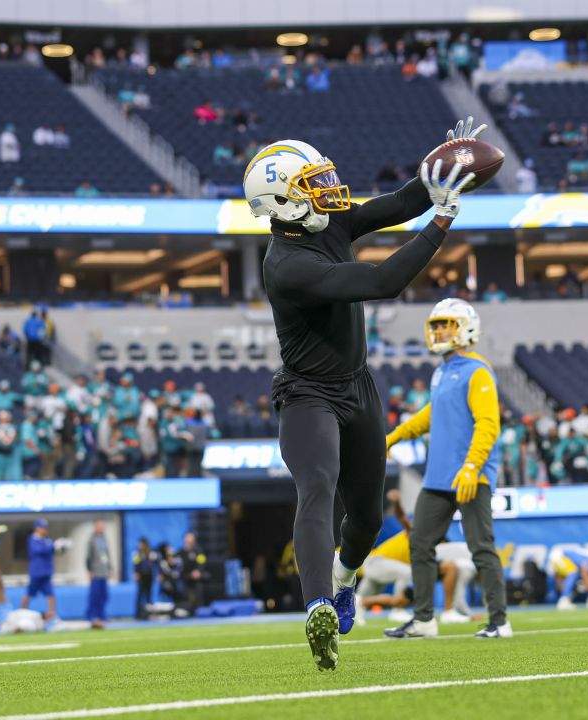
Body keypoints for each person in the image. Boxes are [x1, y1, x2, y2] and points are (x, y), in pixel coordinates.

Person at [246, 119, 481, 671]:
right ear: (281, 202)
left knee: (369, 519)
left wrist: (443, 163)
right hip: (309, 395)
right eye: (311, 183)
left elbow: (398, 203)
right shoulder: (287, 266)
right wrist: (441, 220)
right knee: (318, 488)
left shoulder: (322, 223)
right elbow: (381, 283)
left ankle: (344, 578)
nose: (326, 189)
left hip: (358, 385)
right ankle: (317, 606)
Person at [383, 299, 510, 640]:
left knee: (481, 546)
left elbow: (488, 425)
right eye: (437, 325)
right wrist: (395, 435)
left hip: (472, 475)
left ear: (467, 327)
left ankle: (500, 622)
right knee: (420, 543)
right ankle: (424, 619)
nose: (439, 331)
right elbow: (431, 414)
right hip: (439, 477)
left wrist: (471, 467)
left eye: (447, 324)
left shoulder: (478, 370)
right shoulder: (442, 371)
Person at [21, 518, 58, 620]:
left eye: (45, 528)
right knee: (29, 593)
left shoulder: (47, 540)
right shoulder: (33, 539)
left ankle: (53, 617)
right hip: (36, 573)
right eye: (42, 528)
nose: (44, 530)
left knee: (50, 594)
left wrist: (59, 548)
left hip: (46, 572)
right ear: (37, 528)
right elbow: (39, 550)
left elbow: (53, 551)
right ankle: (20, 614)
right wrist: (51, 547)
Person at [86, 520, 111, 629]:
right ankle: (92, 616)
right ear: (95, 527)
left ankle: (102, 616)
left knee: (103, 595)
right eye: (100, 526)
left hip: (104, 571)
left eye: (102, 526)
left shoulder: (104, 539)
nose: (101, 528)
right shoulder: (92, 540)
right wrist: (90, 570)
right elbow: (88, 557)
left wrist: (110, 568)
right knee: (94, 596)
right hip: (95, 571)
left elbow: (107, 555)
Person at [176, 532, 207, 615]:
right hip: (185, 580)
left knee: (198, 598)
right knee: (186, 599)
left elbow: (202, 562)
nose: (189, 542)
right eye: (187, 540)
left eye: (191, 540)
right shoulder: (180, 553)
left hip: (196, 580)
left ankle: (200, 616)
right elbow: (177, 565)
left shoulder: (198, 552)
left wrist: (198, 571)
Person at [133, 537, 158, 619]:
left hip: (149, 576)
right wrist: (136, 572)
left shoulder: (151, 552)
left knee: (149, 595)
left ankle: (149, 613)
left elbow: (155, 562)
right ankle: (138, 613)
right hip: (141, 576)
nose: (140, 545)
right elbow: (135, 564)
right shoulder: (137, 553)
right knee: (140, 595)